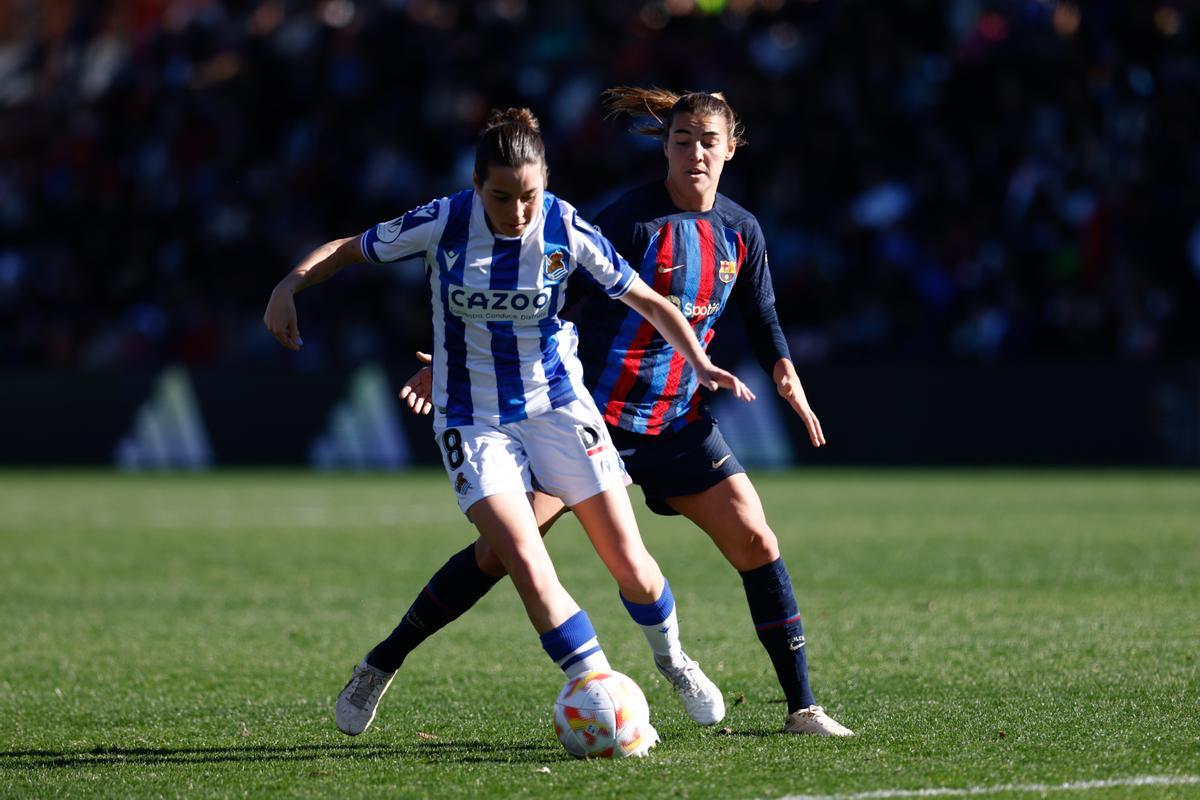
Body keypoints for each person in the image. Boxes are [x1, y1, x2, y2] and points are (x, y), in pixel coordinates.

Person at [368, 88, 854, 738]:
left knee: (757, 540)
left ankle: (802, 708)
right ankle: (385, 659)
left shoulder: (741, 230)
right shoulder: (628, 222)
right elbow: (542, 294)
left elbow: (761, 314)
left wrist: (783, 368)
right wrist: (457, 357)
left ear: (731, 147)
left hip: (674, 423)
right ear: (666, 147)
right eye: (682, 141)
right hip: (585, 418)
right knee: (496, 553)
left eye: (708, 142)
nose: (695, 154)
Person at [263, 108, 752, 744]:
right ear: (475, 185)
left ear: (546, 182)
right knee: (521, 555)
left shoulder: (566, 226)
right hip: (473, 419)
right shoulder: (443, 221)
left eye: (529, 195)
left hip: (560, 407)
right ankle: (601, 689)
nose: (518, 212)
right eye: (501, 196)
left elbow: (648, 299)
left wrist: (701, 362)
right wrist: (289, 285)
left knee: (632, 565)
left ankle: (673, 661)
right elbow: (349, 249)